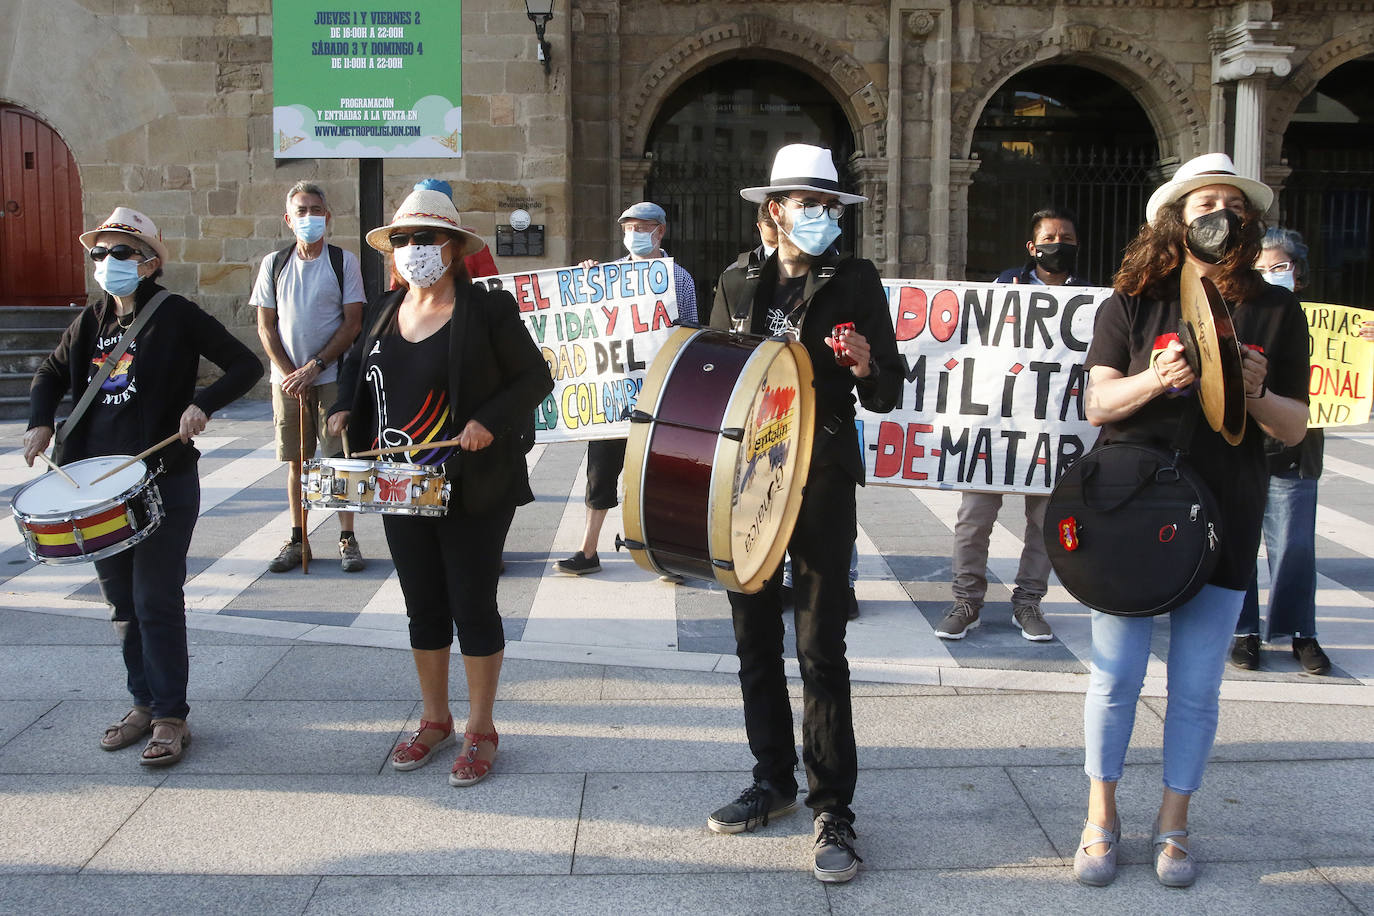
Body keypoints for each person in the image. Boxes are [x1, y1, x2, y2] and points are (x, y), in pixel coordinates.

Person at [1074, 153, 1308, 888]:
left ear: (1249, 220)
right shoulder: (1132, 301)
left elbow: (1295, 427)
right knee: (1115, 677)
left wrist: (1257, 392)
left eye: (1234, 205)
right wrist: (1156, 379)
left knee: (1198, 684)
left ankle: (1174, 822)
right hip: (1132, 508)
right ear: (1177, 217)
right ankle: (1100, 814)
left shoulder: (1275, 307)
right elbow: (1098, 404)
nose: (1221, 213)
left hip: (1226, 509)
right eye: (1206, 201)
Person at [704, 144, 902, 883]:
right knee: (754, 639)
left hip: (820, 477)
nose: (820, 215)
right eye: (807, 203)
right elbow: (717, 373)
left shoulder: (856, 280)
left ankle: (834, 811)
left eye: (829, 204)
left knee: (821, 649)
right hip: (749, 476)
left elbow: (887, 390)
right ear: (775, 210)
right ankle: (772, 782)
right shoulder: (736, 279)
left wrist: (862, 365)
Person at [327, 184, 553, 786]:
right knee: (421, 605)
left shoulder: (488, 310)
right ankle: (434, 720)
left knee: (472, 604)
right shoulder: (382, 308)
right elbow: (356, 365)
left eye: (424, 238)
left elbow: (536, 379)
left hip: (473, 484)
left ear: (452, 247)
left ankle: (482, 729)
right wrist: (344, 408)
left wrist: (486, 422)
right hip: (401, 486)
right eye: (402, 240)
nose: (411, 249)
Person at [23, 207, 263, 766]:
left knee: (156, 598)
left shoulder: (174, 314)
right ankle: (142, 703)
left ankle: (171, 716)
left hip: (160, 479)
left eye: (121, 253)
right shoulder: (92, 319)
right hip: (97, 486)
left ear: (150, 262)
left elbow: (242, 364)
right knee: (123, 603)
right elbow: (51, 373)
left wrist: (202, 405)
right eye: (100, 253)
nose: (108, 262)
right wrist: (40, 420)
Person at [937, 207, 1086, 642]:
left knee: (1044, 522)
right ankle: (967, 601)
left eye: (1067, 237)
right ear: (1032, 246)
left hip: (1054, 427)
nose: (1059, 244)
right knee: (973, 518)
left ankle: (1028, 602)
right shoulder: (1006, 286)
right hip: (996, 423)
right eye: (1051, 236)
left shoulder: (1092, 295)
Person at [553, 201, 698, 578]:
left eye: (641, 227)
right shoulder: (608, 275)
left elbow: (690, 332)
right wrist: (587, 282)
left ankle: (664, 552)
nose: (633, 234)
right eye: (627, 227)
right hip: (612, 393)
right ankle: (588, 549)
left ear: (660, 231)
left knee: (657, 471)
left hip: (656, 392)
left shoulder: (678, 278)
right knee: (600, 471)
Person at [252, 181, 366, 573]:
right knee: (296, 461)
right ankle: (298, 538)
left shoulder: (342, 262)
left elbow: (352, 323)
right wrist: (290, 375)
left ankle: (346, 538)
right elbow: (266, 326)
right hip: (287, 382)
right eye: (301, 211)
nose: (309, 217)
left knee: (339, 459)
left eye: (316, 210)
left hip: (331, 374)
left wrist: (314, 366)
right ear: (288, 219)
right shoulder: (274, 264)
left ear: (328, 216)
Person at [1232, 229, 1332, 675]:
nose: (1271, 276)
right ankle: (1244, 631)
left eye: (1280, 267)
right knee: (1238, 543)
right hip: (1243, 447)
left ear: (1299, 274)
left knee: (1295, 545)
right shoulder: (1243, 315)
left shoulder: (1322, 320)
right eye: (1260, 269)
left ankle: (1300, 631)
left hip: (1296, 451)